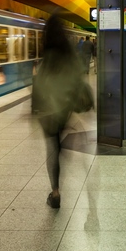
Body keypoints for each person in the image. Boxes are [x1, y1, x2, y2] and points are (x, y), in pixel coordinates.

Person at [33, 14, 91, 209]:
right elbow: (77, 77)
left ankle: (55, 192)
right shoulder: (69, 54)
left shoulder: (48, 56)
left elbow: (40, 84)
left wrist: (36, 108)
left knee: (53, 148)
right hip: (64, 109)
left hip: (48, 110)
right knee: (58, 145)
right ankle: (62, 155)